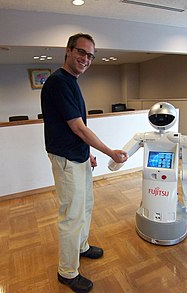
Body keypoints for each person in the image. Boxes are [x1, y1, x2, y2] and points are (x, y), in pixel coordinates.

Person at [41, 33, 128, 293]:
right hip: (66, 160)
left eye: (90, 55)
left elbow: (73, 128)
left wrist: (87, 153)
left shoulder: (71, 81)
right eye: (81, 52)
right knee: (71, 215)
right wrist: (109, 151)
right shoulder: (58, 82)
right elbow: (78, 127)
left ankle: (81, 246)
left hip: (77, 156)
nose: (85, 59)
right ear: (68, 51)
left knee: (85, 206)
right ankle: (67, 272)